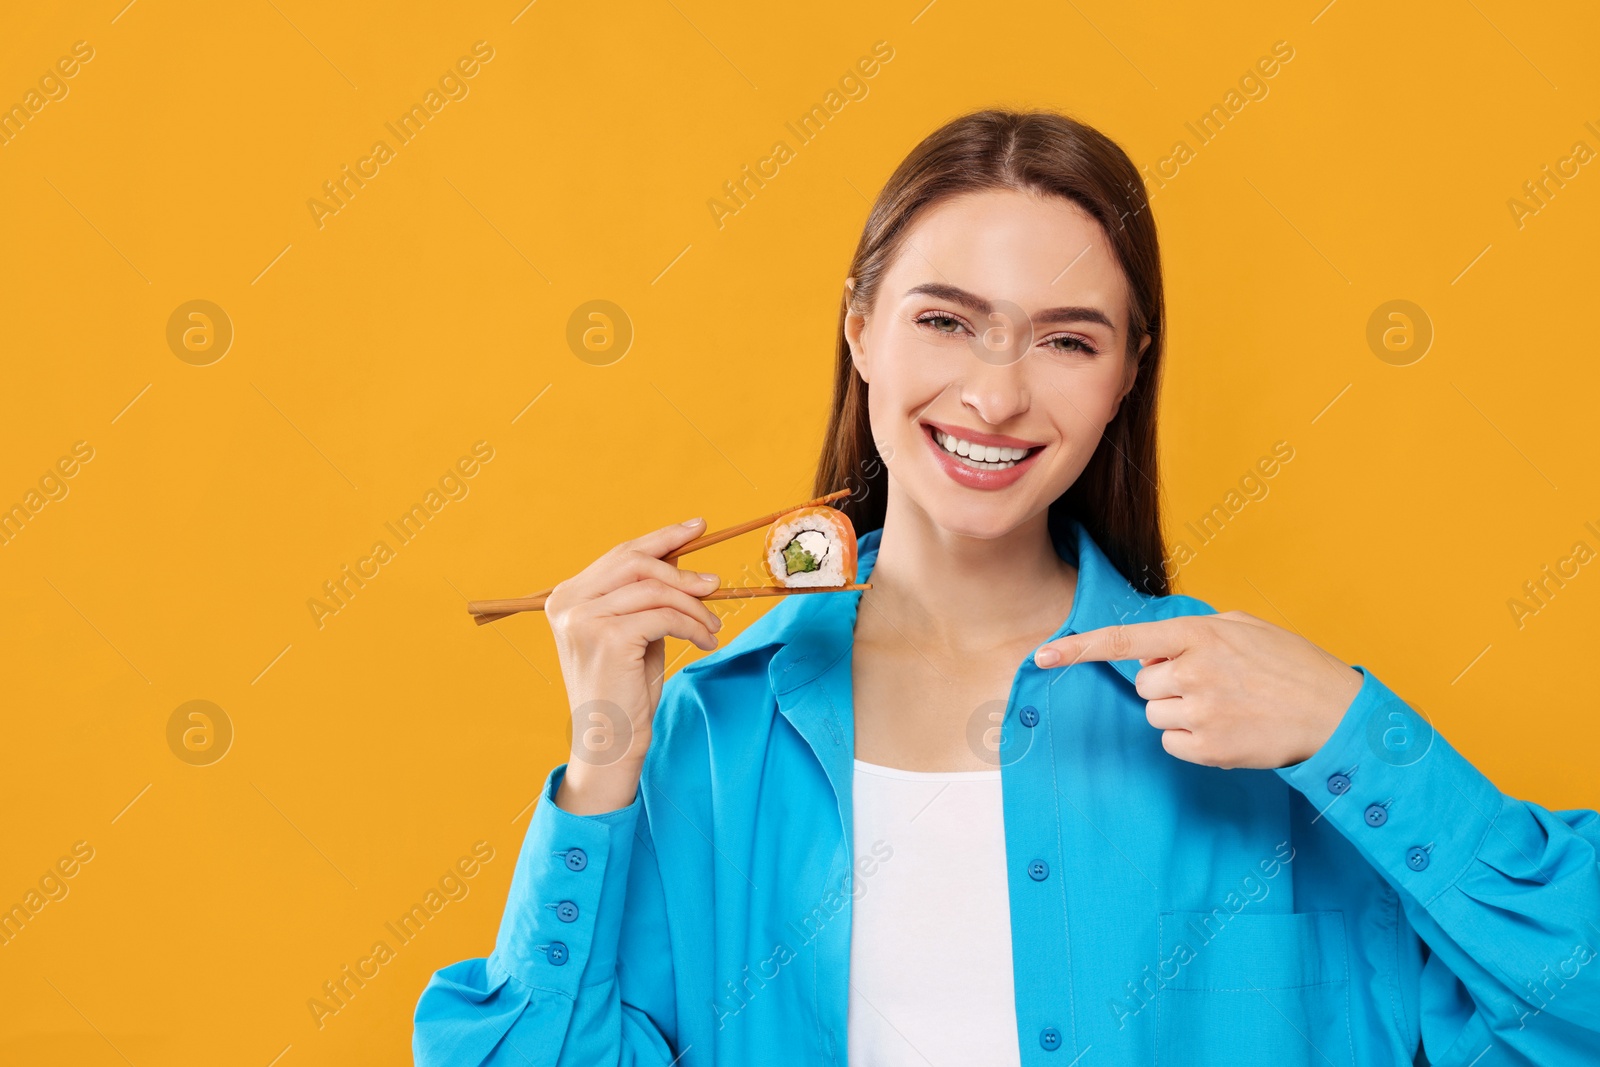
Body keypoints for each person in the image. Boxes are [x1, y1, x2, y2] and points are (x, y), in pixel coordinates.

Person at [413, 109, 1600, 1065]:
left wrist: (1357, 730)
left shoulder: (1256, 726)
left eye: (1068, 340)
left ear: (1128, 375)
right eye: (946, 320)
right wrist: (602, 756)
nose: (994, 396)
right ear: (863, 327)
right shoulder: (713, 734)